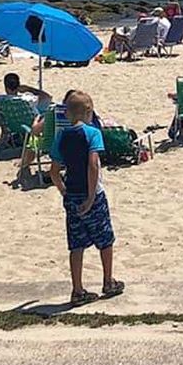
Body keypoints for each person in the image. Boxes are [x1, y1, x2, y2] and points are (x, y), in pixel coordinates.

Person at [50, 91, 123, 306]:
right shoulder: (92, 133)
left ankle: (77, 289)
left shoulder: (61, 136)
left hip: (71, 195)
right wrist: (91, 197)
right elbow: (93, 165)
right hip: (93, 196)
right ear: (88, 112)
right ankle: (108, 281)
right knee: (105, 240)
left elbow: (54, 172)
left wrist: (63, 191)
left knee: (76, 245)